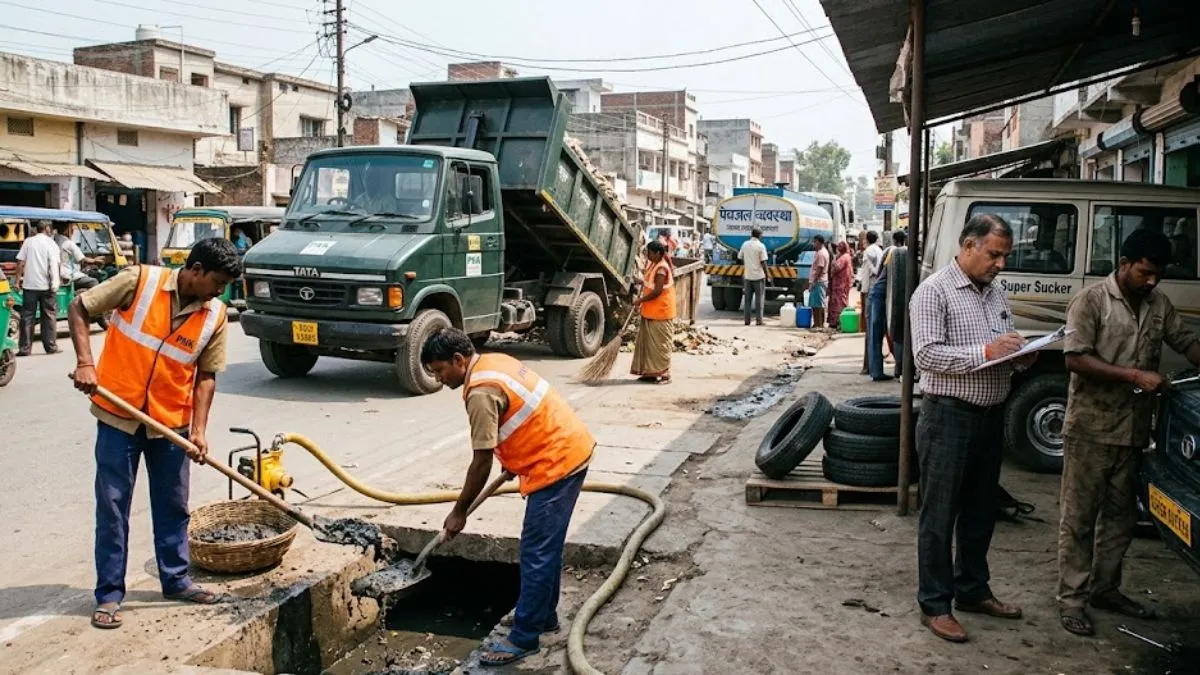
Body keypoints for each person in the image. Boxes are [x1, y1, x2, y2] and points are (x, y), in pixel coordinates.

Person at [67, 237, 241, 630]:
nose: (220, 291)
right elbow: (80, 306)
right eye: (217, 281)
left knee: (173, 507)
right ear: (196, 271)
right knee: (112, 507)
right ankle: (109, 594)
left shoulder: (215, 315)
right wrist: (85, 363)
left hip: (171, 426)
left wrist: (198, 431)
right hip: (119, 417)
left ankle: (176, 580)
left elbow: (206, 377)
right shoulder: (139, 281)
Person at [421, 328, 594, 667]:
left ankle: (524, 637)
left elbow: (481, 460)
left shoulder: (481, 391)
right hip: (564, 450)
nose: (440, 379)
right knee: (546, 547)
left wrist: (459, 512)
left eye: (440, 370)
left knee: (536, 552)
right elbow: (522, 415)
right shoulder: (492, 362)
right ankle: (543, 617)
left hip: (557, 463)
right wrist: (515, 459)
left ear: (459, 360)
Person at [1056, 228, 1200, 637]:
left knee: (1120, 520)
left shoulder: (1159, 305)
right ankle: (1072, 600)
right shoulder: (1092, 301)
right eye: (1145, 272)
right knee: (1079, 519)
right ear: (1124, 264)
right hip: (1091, 429)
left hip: (1135, 431)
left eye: (1157, 275)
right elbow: (1076, 359)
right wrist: (1135, 375)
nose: (1151, 281)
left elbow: (1186, 341)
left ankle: (1106, 589)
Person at [910, 214, 1036, 643]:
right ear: (967, 245)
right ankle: (935, 604)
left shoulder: (996, 293)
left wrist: (1020, 355)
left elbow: (1002, 343)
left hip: (989, 419)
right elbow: (926, 356)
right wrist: (986, 350)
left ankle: (972, 590)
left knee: (981, 513)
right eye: (993, 254)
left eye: (1005, 256)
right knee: (939, 515)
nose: (1000, 263)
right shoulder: (933, 292)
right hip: (948, 418)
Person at [13, 220, 63, 356]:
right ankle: (51, 347)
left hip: (30, 285)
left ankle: (24, 349)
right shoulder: (51, 244)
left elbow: (20, 262)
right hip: (47, 286)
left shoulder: (28, 242)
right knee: (48, 316)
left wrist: (17, 281)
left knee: (27, 316)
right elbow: (56, 265)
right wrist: (56, 282)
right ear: (47, 228)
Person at [630, 240, 676, 384]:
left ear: (657, 253)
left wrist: (639, 301)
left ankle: (665, 374)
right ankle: (650, 373)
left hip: (661, 312)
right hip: (650, 311)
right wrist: (638, 281)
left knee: (660, 345)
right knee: (648, 345)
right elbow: (648, 282)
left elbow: (656, 292)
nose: (647, 255)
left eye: (649, 252)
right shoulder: (653, 265)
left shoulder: (662, 268)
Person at [867, 230, 907, 381]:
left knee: (878, 333)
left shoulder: (890, 251)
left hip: (881, 293)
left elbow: (878, 273)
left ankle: (878, 371)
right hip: (887, 295)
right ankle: (881, 372)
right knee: (893, 332)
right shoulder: (901, 253)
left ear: (894, 240)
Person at [883, 231, 910, 380]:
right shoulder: (905, 255)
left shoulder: (894, 253)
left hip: (897, 302)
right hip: (903, 300)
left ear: (894, 240)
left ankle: (899, 367)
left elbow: (883, 272)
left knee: (898, 335)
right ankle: (900, 367)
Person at [859, 231, 884, 374]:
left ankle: (868, 366)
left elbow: (870, 272)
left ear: (867, 239)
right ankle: (871, 366)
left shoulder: (868, 252)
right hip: (877, 290)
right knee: (875, 329)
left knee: (870, 330)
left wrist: (864, 291)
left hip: (870, 291)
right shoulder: (879, 251)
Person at [738, 227, 769, 326]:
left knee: (747, 300)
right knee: (759, 299)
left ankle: (747, 320)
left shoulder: (745, 244)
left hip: (748, 276)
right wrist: (768, 275)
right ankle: (759, 320)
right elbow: (763, 262)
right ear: (759, 235)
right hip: (759, 276)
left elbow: (740, 257)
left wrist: (747, 265)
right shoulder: (761, 246)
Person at [56, 223, 100, 292]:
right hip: (68, 276)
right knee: (94, 282)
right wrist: (95, 260)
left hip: (59, 274)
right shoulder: (68, 243)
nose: (73, 230)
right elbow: (82, 259)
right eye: (72, 228)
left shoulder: (54, 239)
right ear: (67, 229)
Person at [828, 240, 854, 331]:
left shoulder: (844, 257)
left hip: (841, 284)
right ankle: (836, 321)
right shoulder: (845, 256)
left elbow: (838, 267)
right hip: (840, 283)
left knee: (840, 302)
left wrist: (833, 259)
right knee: (838, 301)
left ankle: (839, 322)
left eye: (840, 246)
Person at [808, 235, 830, 328]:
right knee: (816, 303)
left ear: (819, 242)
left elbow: (819, 268)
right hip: (820, 281)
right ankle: (817, 323)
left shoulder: (821, 253)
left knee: (818, 304)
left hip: (819, 281)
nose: (814, 244)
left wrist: (813, 281)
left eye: (815, 242)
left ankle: (819, 324)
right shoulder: (823, 252)